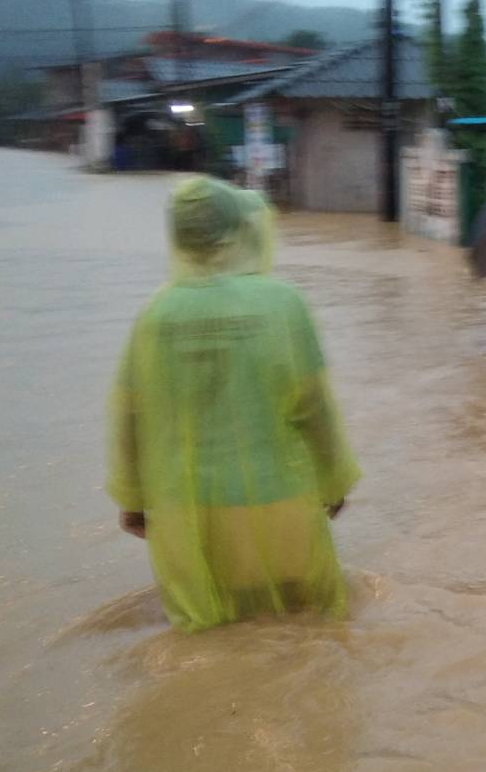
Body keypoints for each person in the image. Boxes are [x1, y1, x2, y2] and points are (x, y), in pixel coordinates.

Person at [107, 177, 359, 632]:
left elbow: (131, 414)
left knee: (211, 636)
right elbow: (314, 406)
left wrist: (132, 498)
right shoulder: (284, 304)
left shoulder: (156, 315)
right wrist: (335, 479)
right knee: (309, 627)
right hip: (280, 499)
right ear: (240, 229)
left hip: (189, 515)